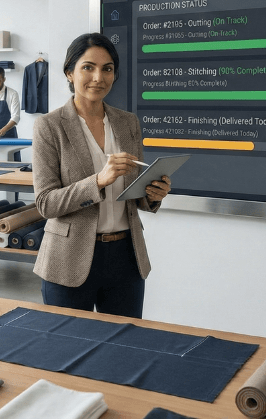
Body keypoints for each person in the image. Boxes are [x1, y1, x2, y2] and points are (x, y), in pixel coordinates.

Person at [31, 33, 171, 318]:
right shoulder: (49, 126)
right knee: (69, 352)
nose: (98, 77)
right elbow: (46, 203)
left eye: (107, 69)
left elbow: (135, 190)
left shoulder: (127, 122)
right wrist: (98, 181)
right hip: (68, 258)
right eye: (88, 67)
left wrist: (152, 195)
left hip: (125, 257)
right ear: (69, 73)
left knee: (123, 350)